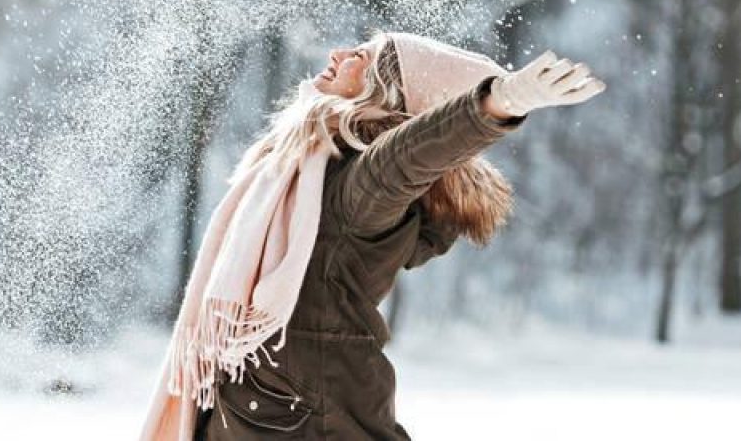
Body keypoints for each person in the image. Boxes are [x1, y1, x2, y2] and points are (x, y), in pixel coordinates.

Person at [139, 30, 606, 440]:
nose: (341, 54)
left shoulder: (358, 187)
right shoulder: (301, 175)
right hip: (273, 411)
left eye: (364, 55)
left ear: (385, 94)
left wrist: (496, 103)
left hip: (307, 420)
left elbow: (407, 155)